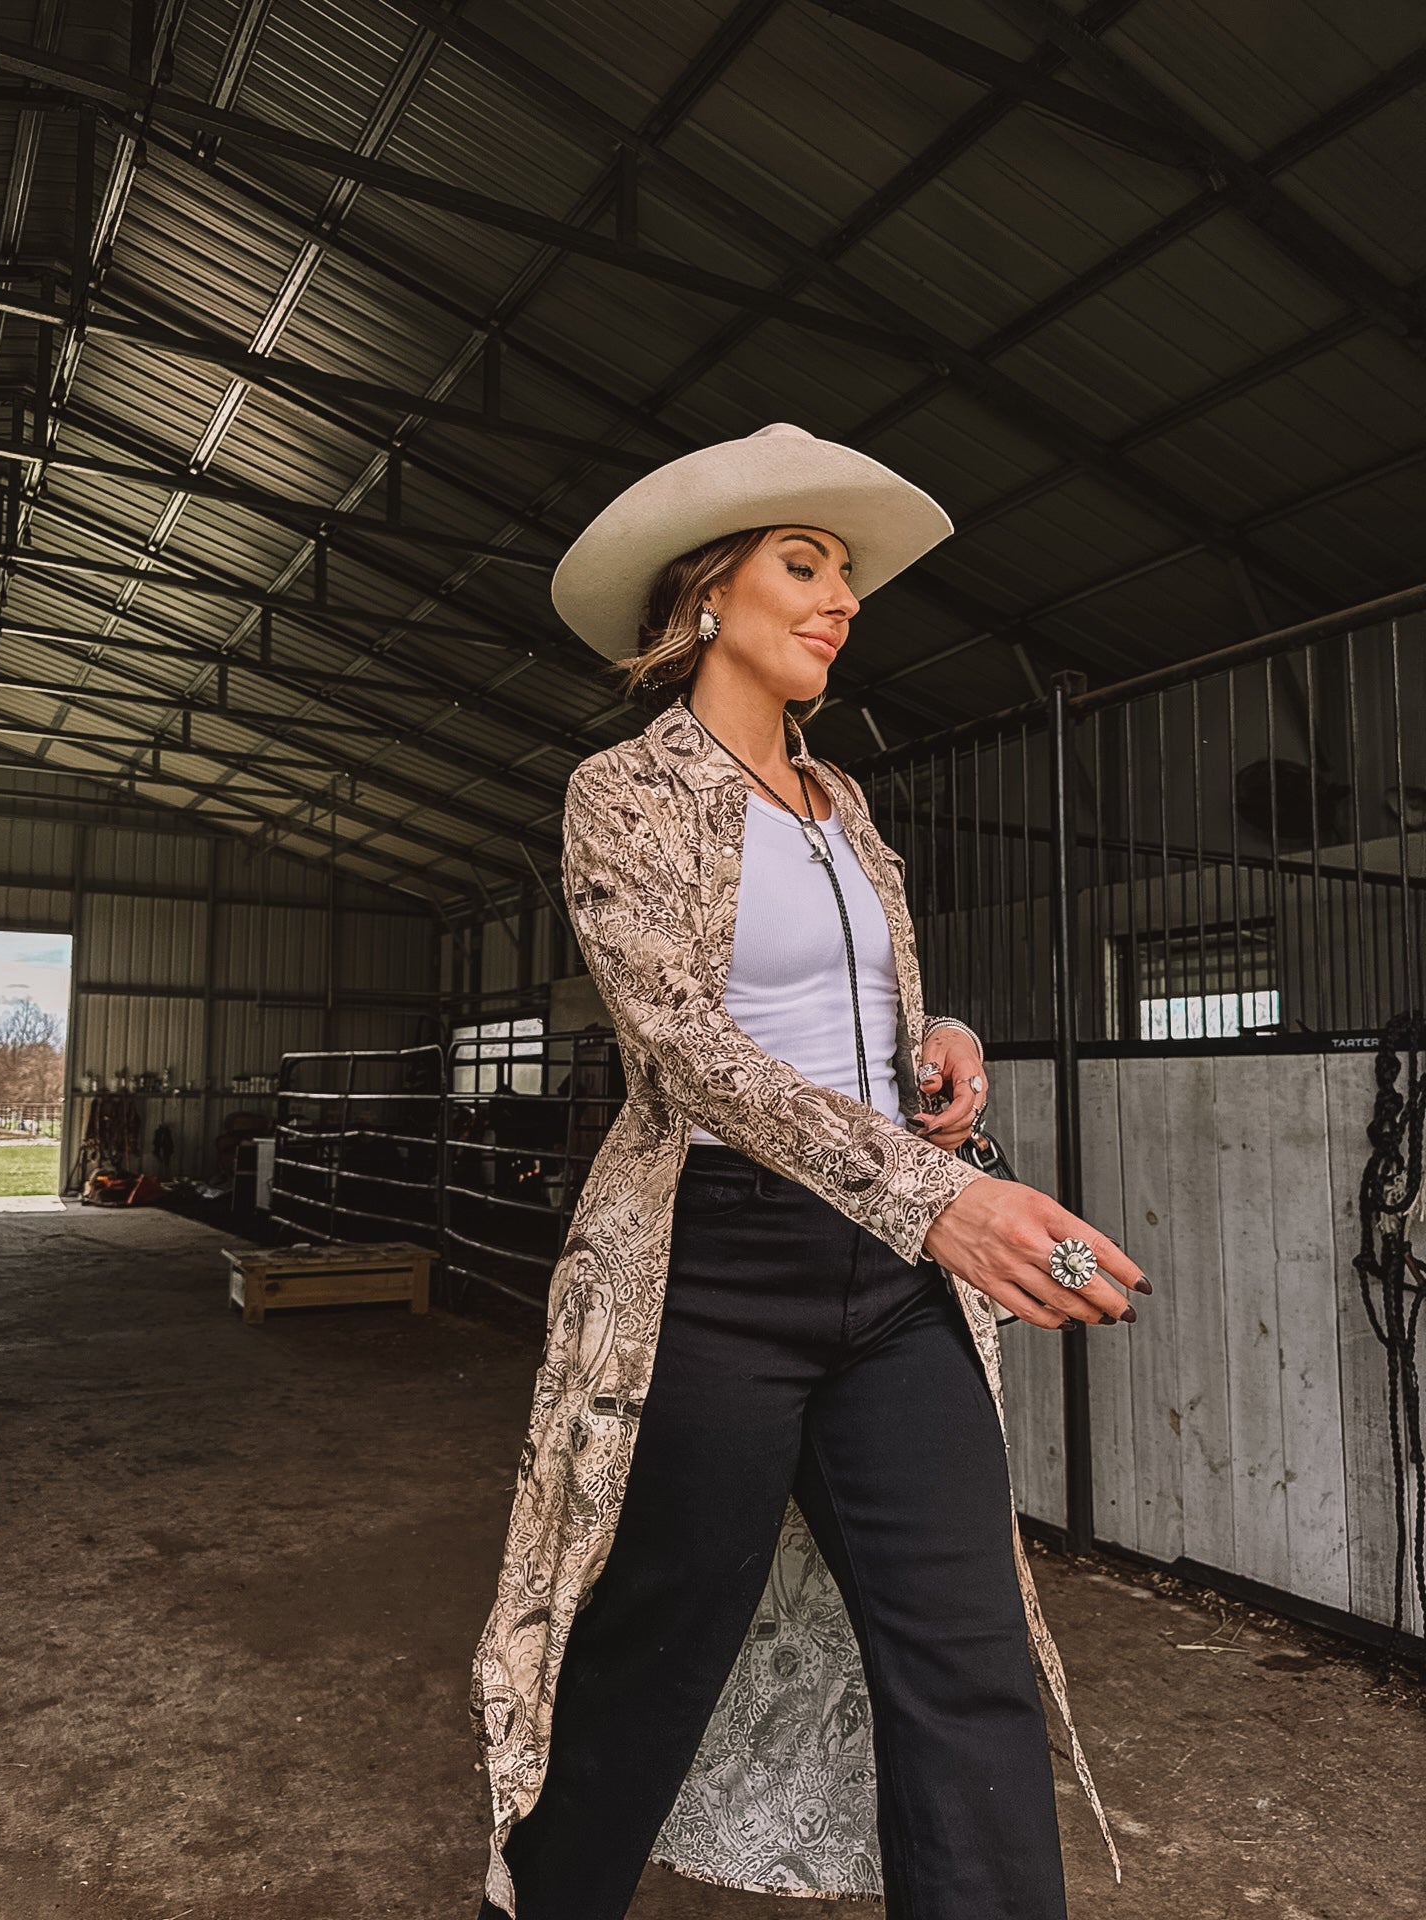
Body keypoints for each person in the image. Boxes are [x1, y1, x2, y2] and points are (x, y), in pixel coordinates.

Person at [470, 422, 1148, 1919]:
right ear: (709, 594)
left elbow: (856, 1018)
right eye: (805, 564)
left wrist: (940, 1040)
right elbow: (690, 1051)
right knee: (653, 1654)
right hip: (714, 1268)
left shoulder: (847, 811)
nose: (842, 598)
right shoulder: (622, 796)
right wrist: (935, 1196)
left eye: (848, 577)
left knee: (969, 1663)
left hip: (890, 1280)